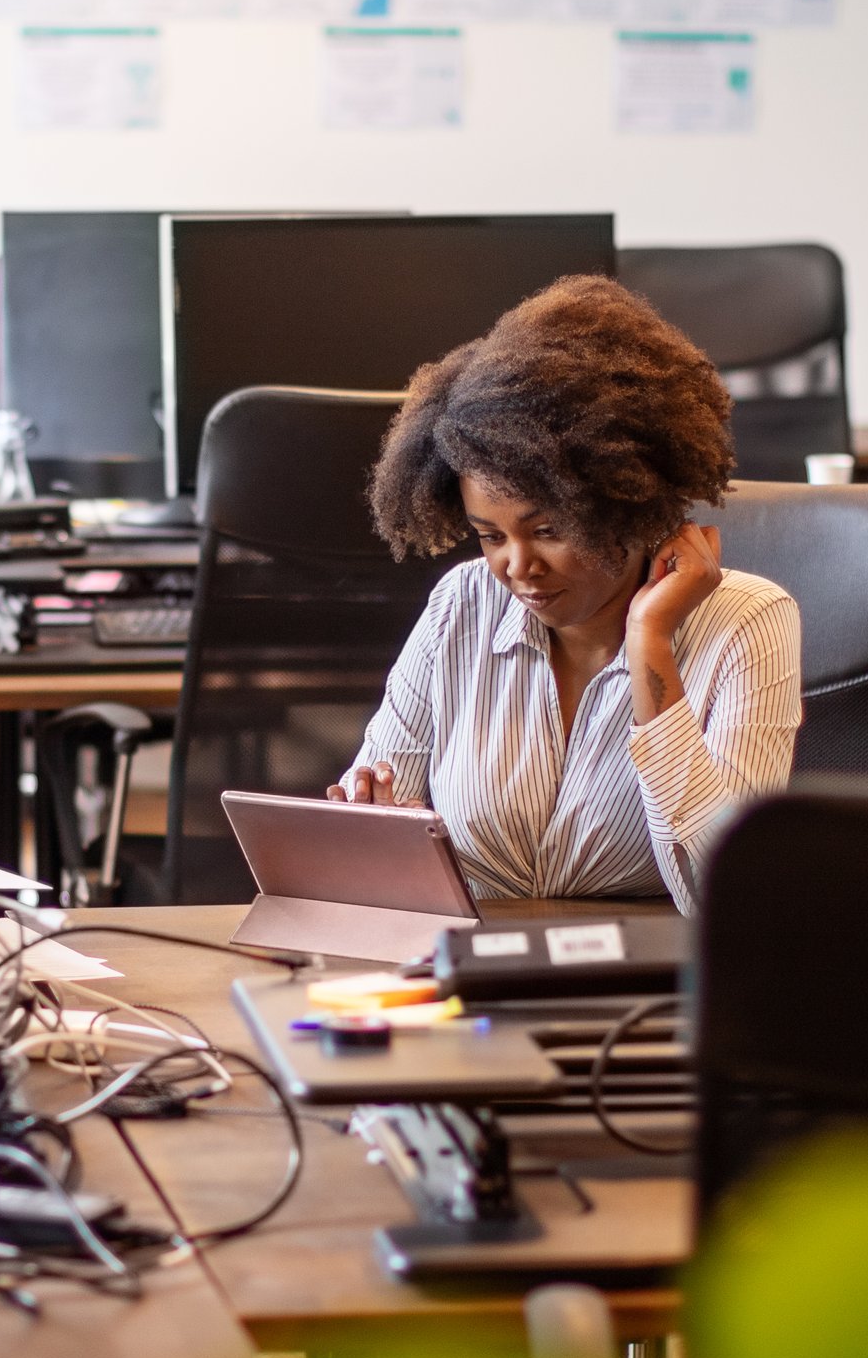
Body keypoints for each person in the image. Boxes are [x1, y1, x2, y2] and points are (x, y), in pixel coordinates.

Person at [330, 276, 800, 911]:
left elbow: (726, 896)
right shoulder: (461, 606)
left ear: (625, 503)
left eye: (548, 530)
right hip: (476, 981)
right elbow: (371, 830)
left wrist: (650, 642)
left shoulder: (748, 621)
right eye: (489, 535)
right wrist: (376, 825)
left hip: (645, 988)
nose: (517, 567)